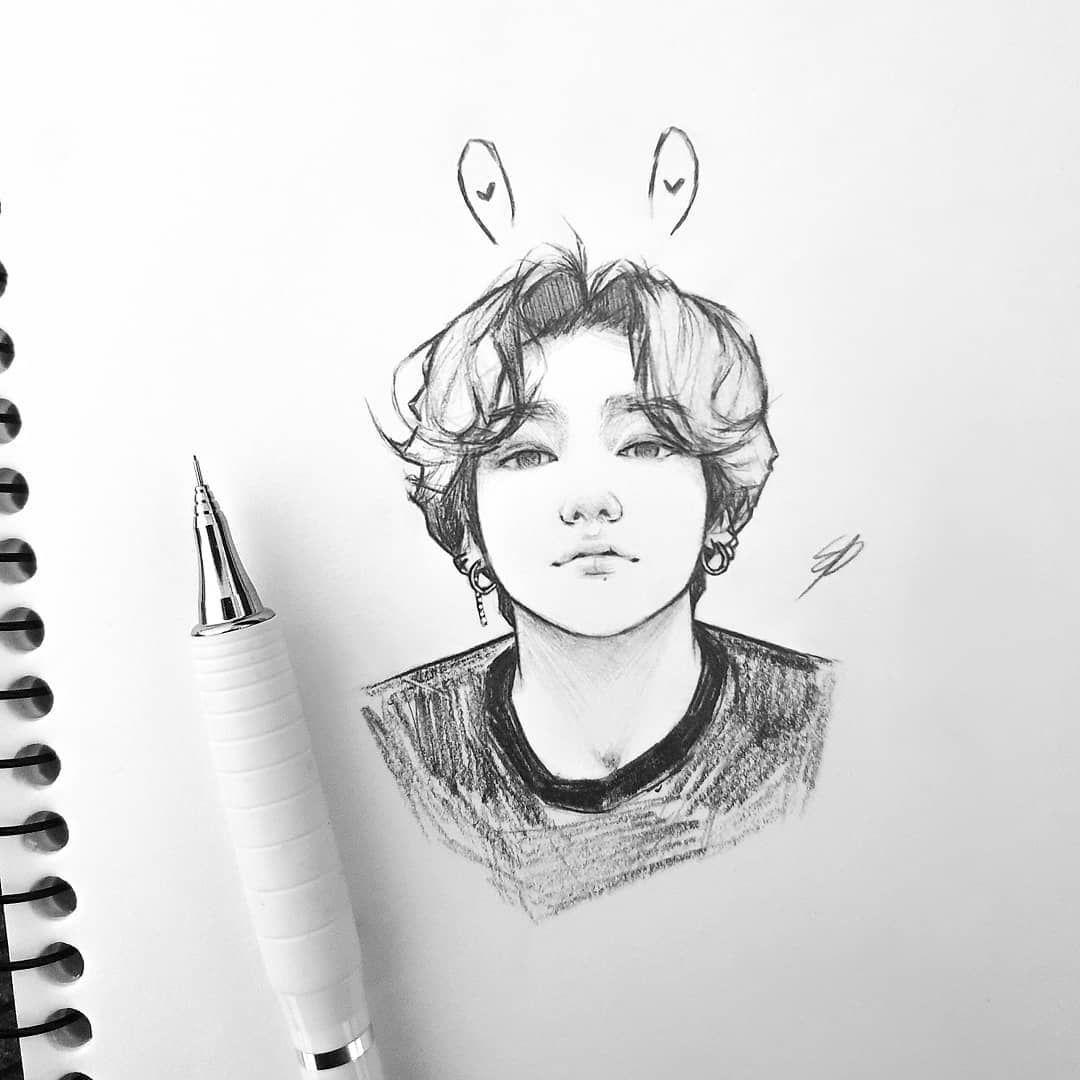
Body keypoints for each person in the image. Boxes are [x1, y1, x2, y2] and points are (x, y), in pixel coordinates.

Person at [360, 243, 834, 920]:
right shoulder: (395, 744)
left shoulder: (820, 723)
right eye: (527, 453)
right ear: (466, 526)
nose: (589, 499)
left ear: (721, 503)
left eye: (644, 444)